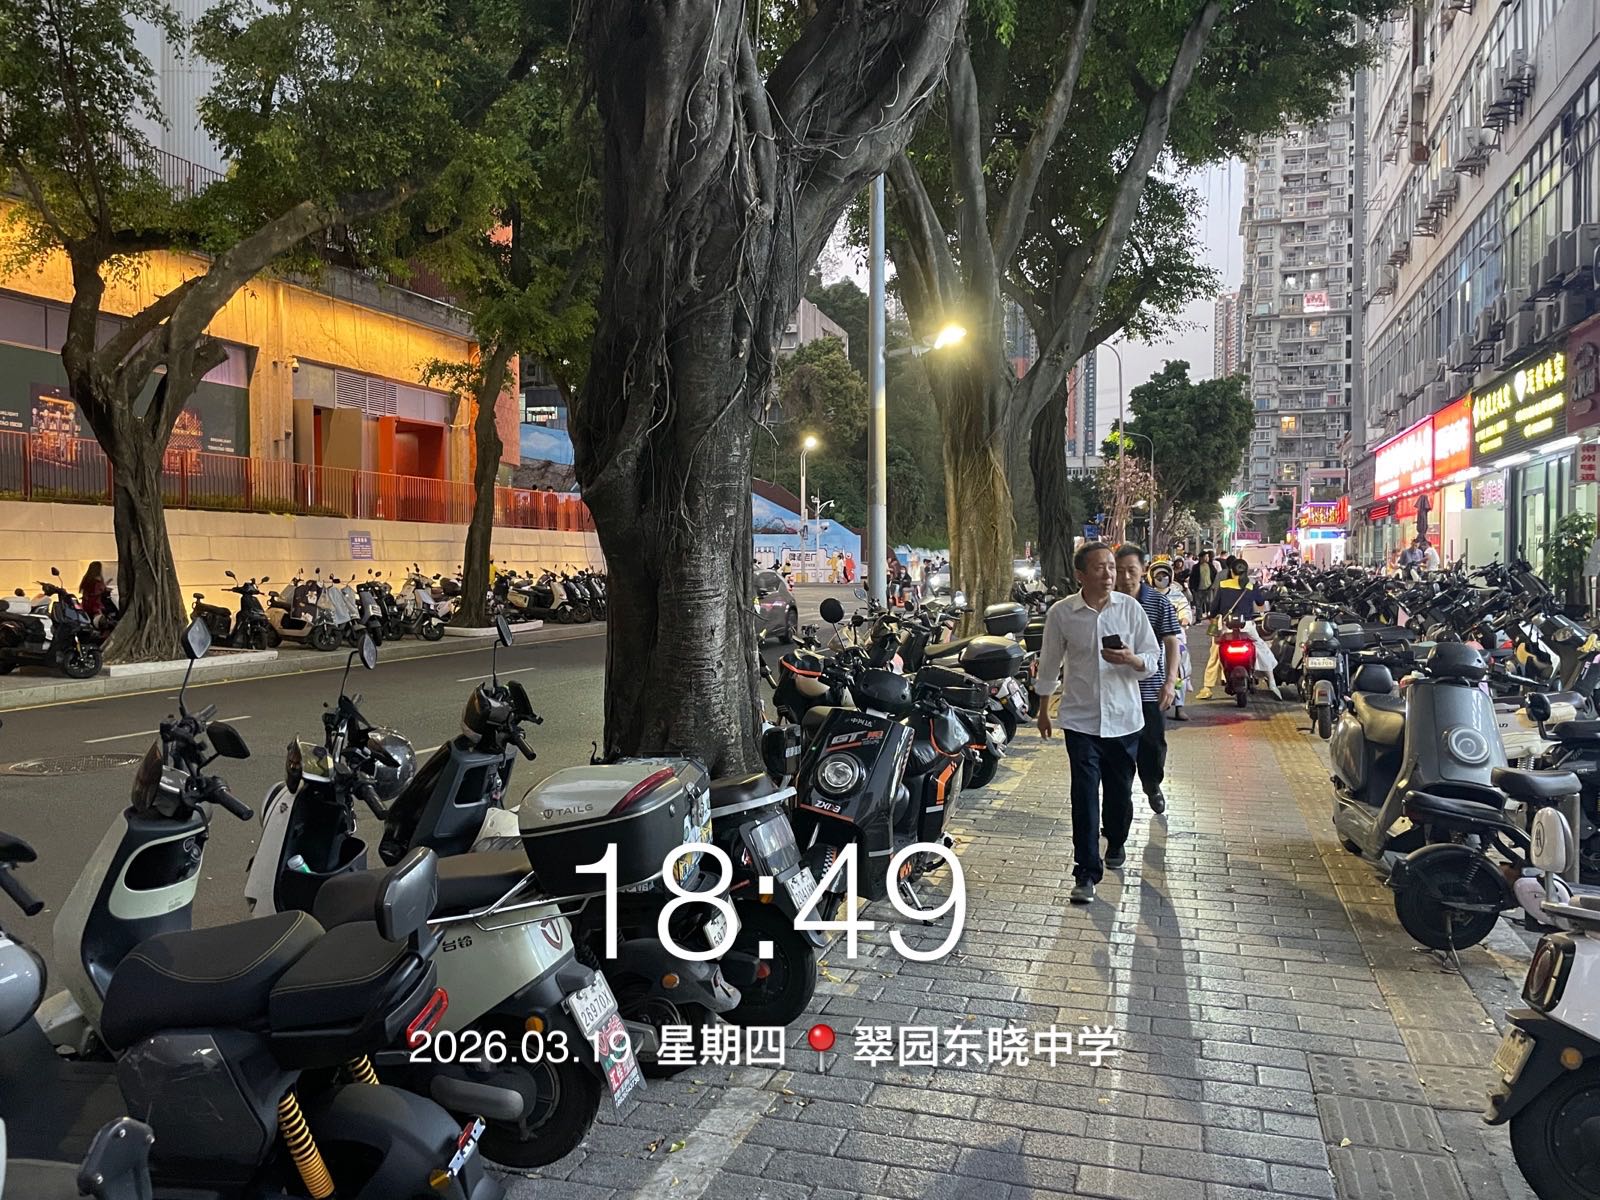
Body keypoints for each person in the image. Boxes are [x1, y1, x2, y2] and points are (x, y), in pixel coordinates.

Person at [1033, 541, 1160, 905]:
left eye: (1112, 567)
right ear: (1080, 575)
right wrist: (1044, 708)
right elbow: (1050, 661)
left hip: (1124, 720)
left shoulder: (1130, 609)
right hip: (1081, 720)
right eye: (1100, 568)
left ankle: (1116, 840)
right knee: (1084, 795)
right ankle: (1086, 872)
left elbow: (1152, 658)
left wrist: (1131, 659)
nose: (1109, 574)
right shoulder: (1062, 613)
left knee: (1119, 794)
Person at [1115, 545, 1182, 815]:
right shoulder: (1106, 602)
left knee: (1152, 744)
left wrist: (1170, 682)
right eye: (1120, 570)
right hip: (1116, 691)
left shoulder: (1158, 602)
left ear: (1143, 570)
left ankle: (1152, 784)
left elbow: (1172, 643)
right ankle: (1121, 799)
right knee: (1118, 750)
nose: (1126, 577)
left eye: (1132, 570)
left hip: (1150, 690)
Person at [1197, 559, 1282, 699]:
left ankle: (1207, 688)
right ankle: (1272, 683)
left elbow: (1214, 609)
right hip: (1246, 627)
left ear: (1231, 571)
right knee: (1262, 649)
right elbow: (1260, 602)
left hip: (1226, 627)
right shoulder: (1251, 586)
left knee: (1215, 653)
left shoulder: (1223, 585)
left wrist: (1213, 616)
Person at [1148, 560, 1193, 722]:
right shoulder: (1148, 596)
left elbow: (1185, 611)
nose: (1162, 578)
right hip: (1152, 640)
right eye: (1158, 576)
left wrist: (1184, 619)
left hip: (1176, 639)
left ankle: (1179, 707)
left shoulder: (1178, 595)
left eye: (1165, 575)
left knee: (1180, 670)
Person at [1191, 549, 1220, 621]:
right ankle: (1198, 619)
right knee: (1198, 605)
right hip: (1198, 588)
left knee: (1209, 603)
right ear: (1201, 558)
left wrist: (1213, 585)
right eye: (1205, 557)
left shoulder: (1210, 566)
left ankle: (1209, 617)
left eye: (1208, 557)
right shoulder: (1196, 567)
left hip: (1209, 588)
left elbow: (1215, 575)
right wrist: (1192, 587)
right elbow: (1192, 577)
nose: (1207, 558)